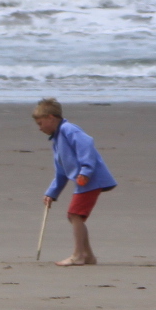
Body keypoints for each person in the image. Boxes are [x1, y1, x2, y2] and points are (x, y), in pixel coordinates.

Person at [34, 97, 116, 267]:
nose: (40, 128)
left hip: (91, 178)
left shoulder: (68, 129)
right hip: (83, 180)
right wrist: (51, 193)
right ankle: (88, 256)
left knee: (75, 214)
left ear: (51, 118)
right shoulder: (57, 140)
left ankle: (78, 255)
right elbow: (61, 173)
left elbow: (87, 144)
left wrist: (86, 170)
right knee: (74, 216)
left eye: (41, 123)